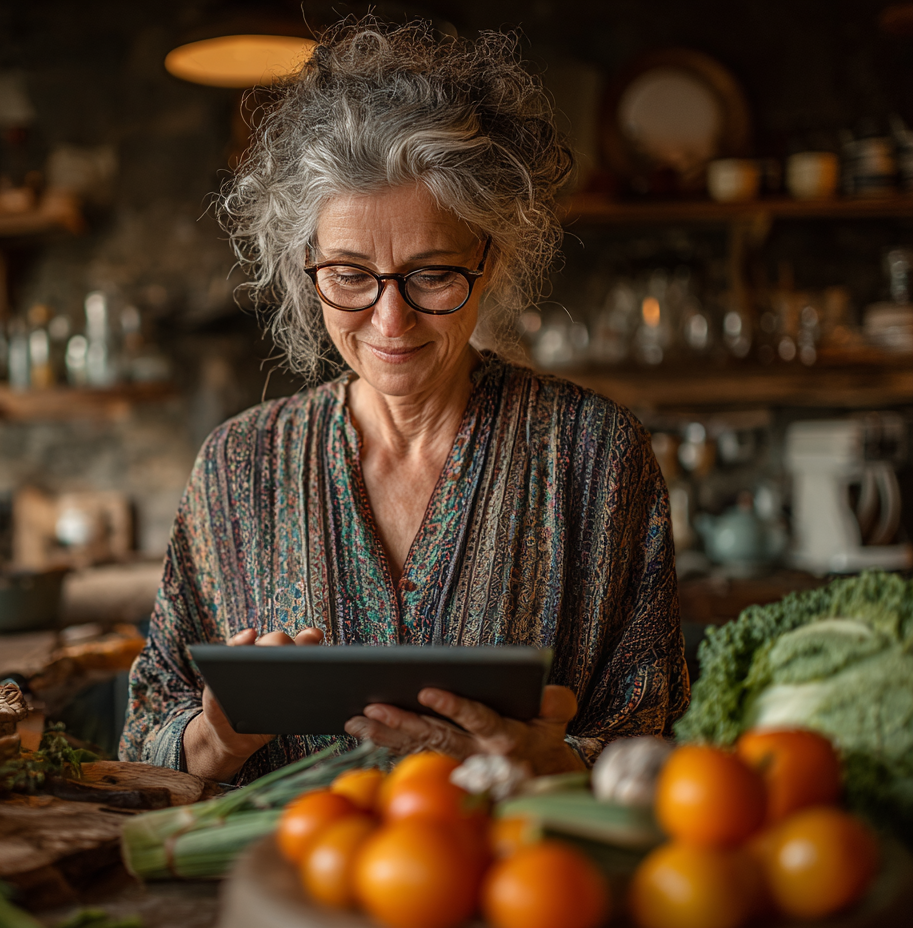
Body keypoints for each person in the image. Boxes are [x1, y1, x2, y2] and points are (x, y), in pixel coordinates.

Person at [119, 20, 688, 783]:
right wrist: (215, 741)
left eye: (431, 275)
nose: (391, 322)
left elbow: (660, 741)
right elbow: (146, 735)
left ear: (490, 260)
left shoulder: (592, 451)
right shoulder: (238, 466)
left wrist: (557, 761)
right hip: (283, 890)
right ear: (304, 265)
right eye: (350, 275)